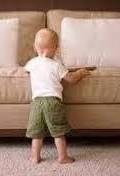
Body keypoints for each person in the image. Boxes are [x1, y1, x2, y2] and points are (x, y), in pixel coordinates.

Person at [24, 28, 90, 164]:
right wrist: (81, 73)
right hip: (52, 102)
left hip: (36, 103)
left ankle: (35, 157)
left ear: (35, 47)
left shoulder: (31, 63)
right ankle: (62, 157)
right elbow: (71, 79)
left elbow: (27, 71)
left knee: (37, 133)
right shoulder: (56, 65)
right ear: (55, 48)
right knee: (58, 131)